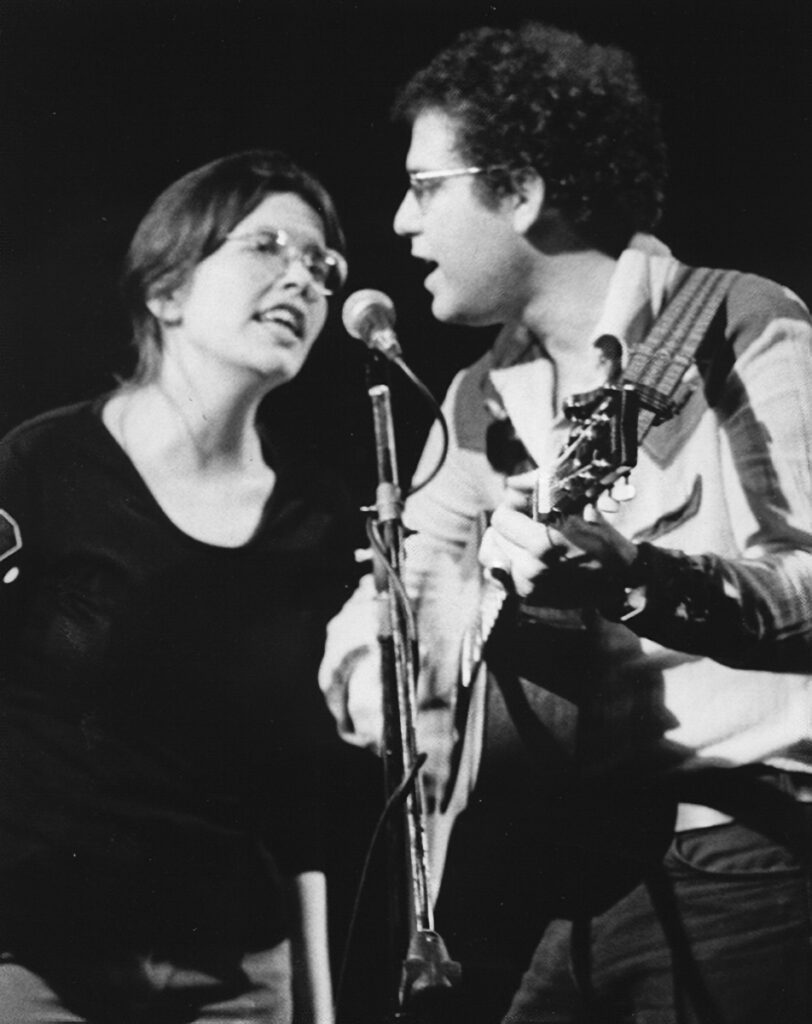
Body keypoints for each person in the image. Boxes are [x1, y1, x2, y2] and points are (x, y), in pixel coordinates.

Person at [320, 22, 812, 1024]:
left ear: (520, 192)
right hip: (544, 867)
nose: (401, 225)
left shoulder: (736, 324)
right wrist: (381, 670)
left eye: (426, 188)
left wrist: (631, 575)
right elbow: (393, 612)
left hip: (738, 851)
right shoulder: (470, 399)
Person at [0, 149, 358, 1023]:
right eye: (267, 246)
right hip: (36, 960)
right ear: (166, 292)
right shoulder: (41, 468)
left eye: (322, 266)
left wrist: (314, 1006)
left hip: (234, 976)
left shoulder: (318, 524)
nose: (303, 280)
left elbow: (304, 797)